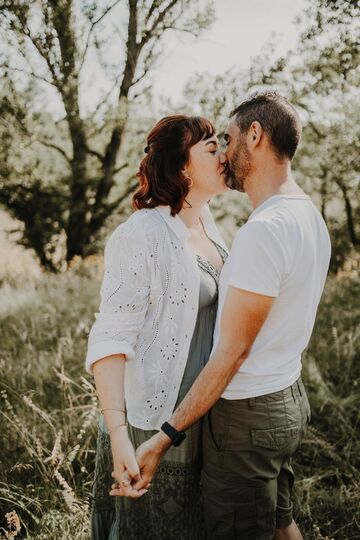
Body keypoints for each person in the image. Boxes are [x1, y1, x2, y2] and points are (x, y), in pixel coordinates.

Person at [126, 91, 332, 540]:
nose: (223, 150)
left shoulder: (263, 230)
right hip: (286, 397)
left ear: (254, 136)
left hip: (249, 417)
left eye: (229, 137)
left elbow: (231, 354)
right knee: (280, 524)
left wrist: (164, 438)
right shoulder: (308, 215)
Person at [85, 114, 229, 539]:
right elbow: (111, 339)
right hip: (153, 415)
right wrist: (118, 437)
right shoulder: (142, 235)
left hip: (198, 414)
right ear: (183, 166)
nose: (224, 155)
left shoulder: (208, 224)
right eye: (211, 148)